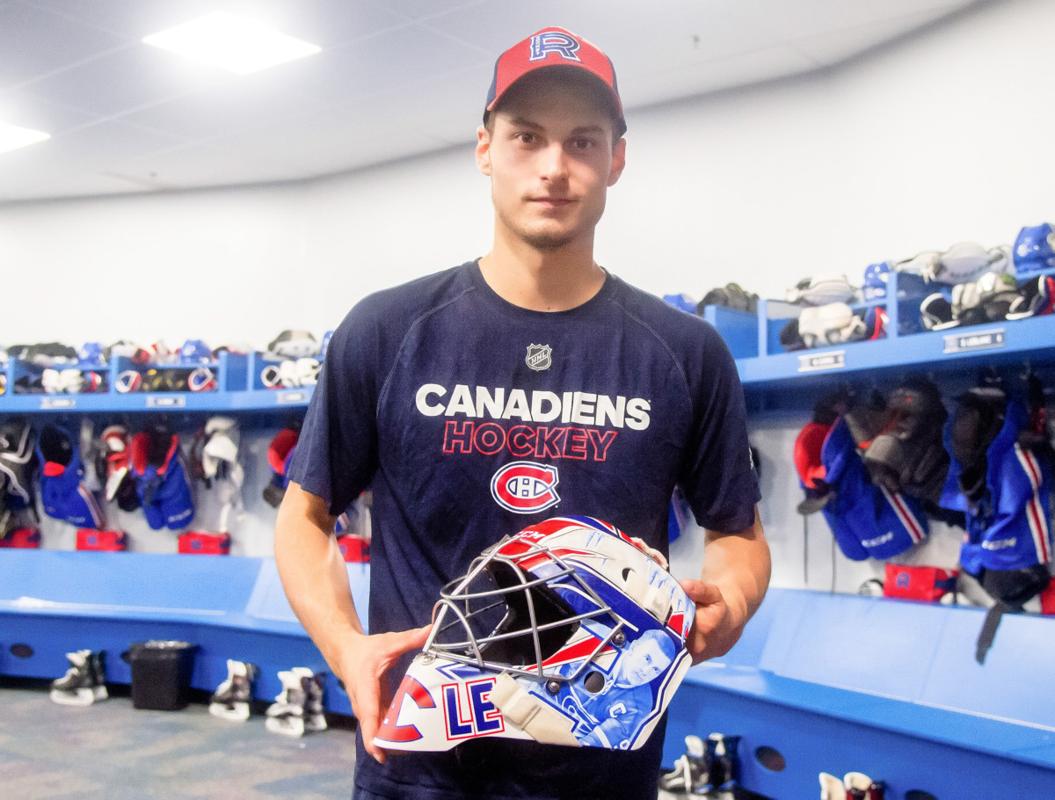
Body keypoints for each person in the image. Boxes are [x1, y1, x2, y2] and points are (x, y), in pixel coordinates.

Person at [276, 24, 771, 800]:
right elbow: (304, 515)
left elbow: (736, 534)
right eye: (526, 138)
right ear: (484, 148)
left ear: (616, 159)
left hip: (602, 764)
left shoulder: (683, 352)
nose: (553, 168)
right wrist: (344, 646)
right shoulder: (385, 330)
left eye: (581, 142)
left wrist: (730, 604)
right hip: (422, 765)